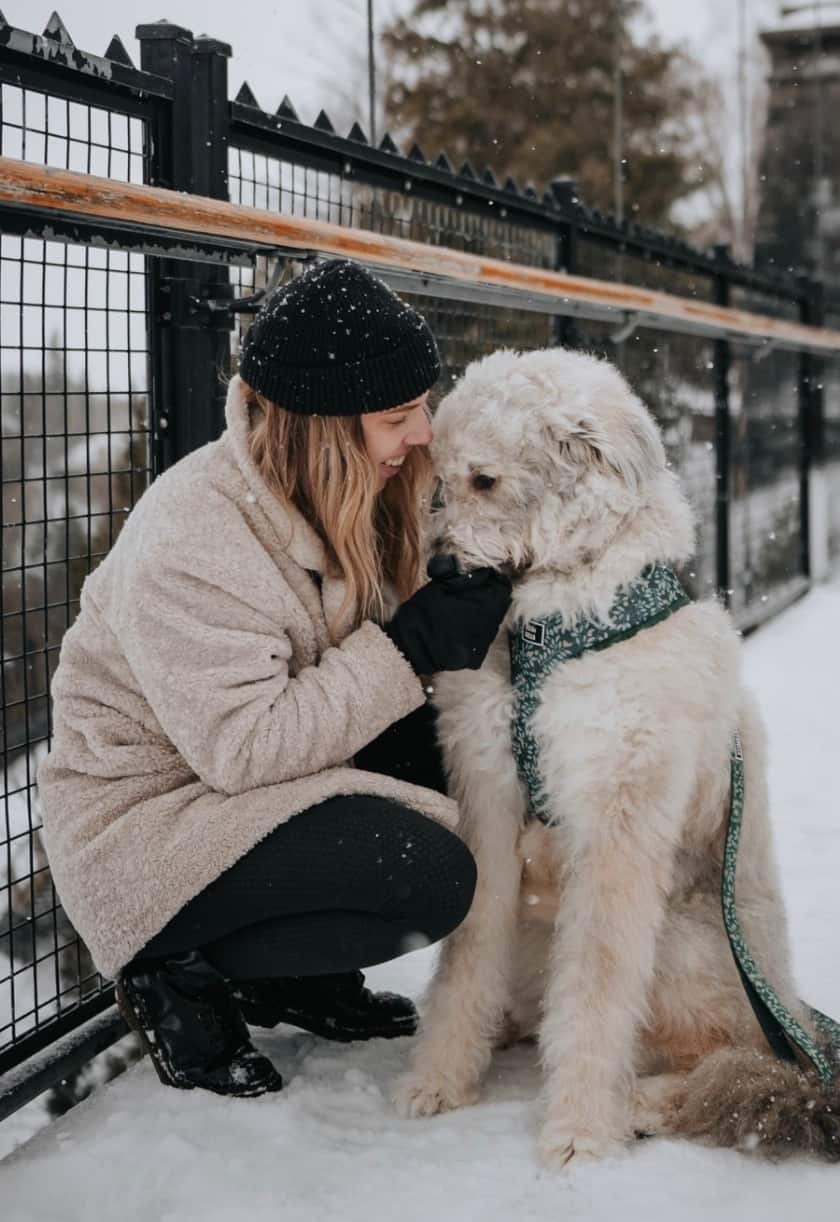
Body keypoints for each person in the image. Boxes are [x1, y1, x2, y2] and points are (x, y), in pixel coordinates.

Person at [37, 260, 512, 1098]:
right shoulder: (194, 535)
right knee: (430, 874)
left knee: (469, 760)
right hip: (148, 830)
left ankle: (290, 976)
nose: (423, 433)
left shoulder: (351, 488)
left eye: (422, 406)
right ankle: (171, 970)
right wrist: (410, 647)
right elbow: (245, 748)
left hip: (244, 791)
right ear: (323, 430)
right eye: (397, 416)